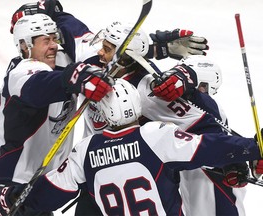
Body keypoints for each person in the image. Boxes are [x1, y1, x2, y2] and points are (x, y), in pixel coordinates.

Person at [0, 79, 263, 216]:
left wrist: (10, 197)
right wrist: (252, 149)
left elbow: (48, 194)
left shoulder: (86, 149)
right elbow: (209, 148)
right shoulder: (156, 136)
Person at [83, 21, 251, 215]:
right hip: (97, 171)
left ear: (124, 56)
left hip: (129, 173)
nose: (100, 53)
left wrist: (236, 157)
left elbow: (204, 124)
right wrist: (157, 47)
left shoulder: (146, 90)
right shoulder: (97, 66)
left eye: (107, 48)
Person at [0, 13, 113, 216]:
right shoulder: (20, 73)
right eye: (45, 40)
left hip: (36, 182)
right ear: (24, 46)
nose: (53, 45)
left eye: (55, 38)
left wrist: (58, 14)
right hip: (10, 183)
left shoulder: (59, 62)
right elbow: (38, 87)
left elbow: (88, 48)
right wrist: (76, 77)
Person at [175, 55, 248, 216]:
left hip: (218, 196)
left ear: (202, 85)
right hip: (197, 192)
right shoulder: (188, 110)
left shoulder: (210, 109)